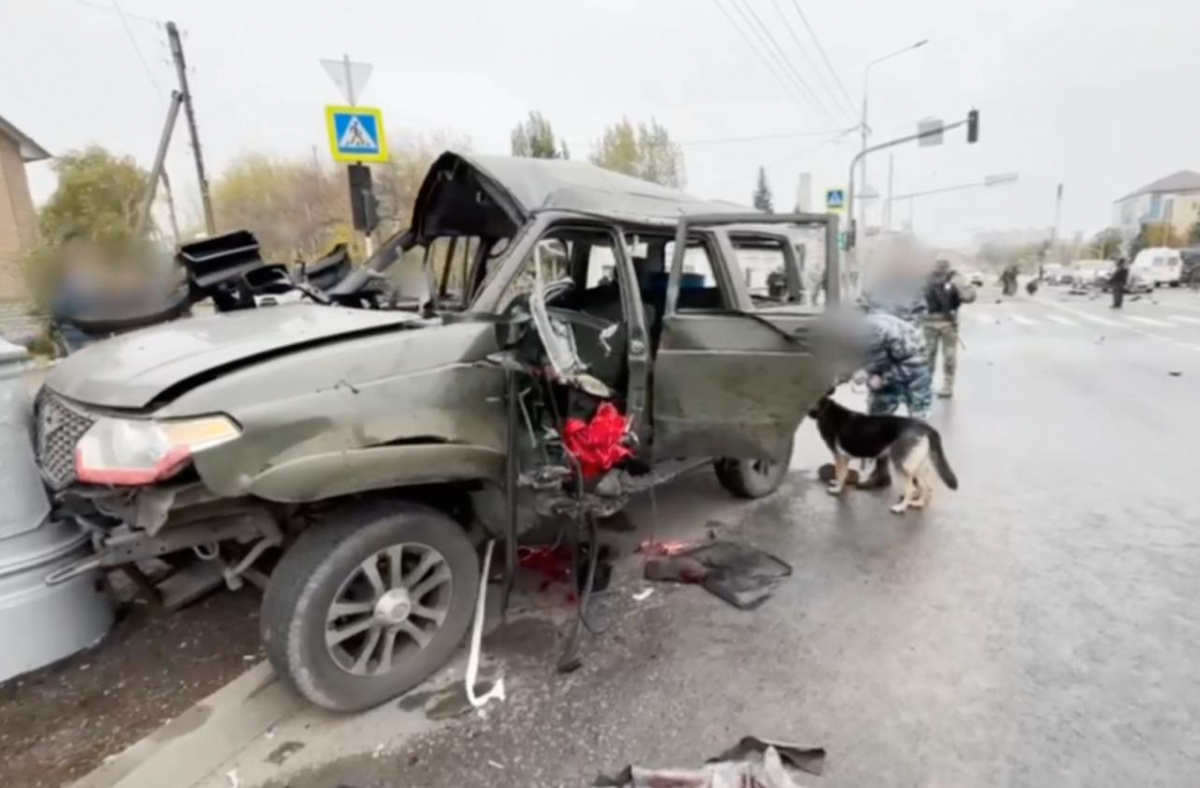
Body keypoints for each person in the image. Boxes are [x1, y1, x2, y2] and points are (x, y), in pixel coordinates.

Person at [857, 309, 933, 488]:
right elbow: (863, 358)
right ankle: (881, 474)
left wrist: (882, 378)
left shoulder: (879, 330)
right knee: (877, 422)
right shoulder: (856, 332)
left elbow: (913, 364)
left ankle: (918, 483)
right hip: (888, 368)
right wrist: (861, 372)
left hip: (915, 374)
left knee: (917, 428)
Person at [923, 259, 977, 399]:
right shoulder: (926, 278)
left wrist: (962, 287)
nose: (941, 267)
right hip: (929, 323)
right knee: (928, 356)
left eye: (943, 264)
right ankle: (926, 385)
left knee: (948, 357)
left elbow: (968, 297)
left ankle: (946, 385)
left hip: (947, 324)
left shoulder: (955, 279)